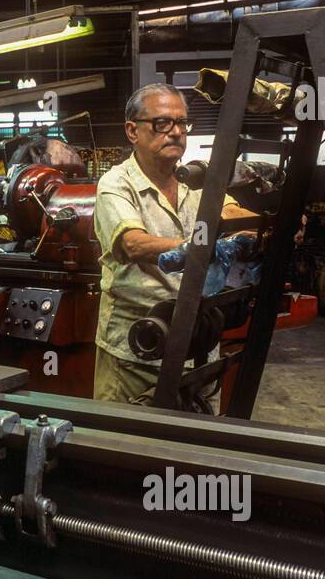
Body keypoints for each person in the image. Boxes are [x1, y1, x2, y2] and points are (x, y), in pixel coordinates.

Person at [92, 83, 254, 409]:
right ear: (132, 130)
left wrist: (263, 225)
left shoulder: (194, 180)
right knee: (128, 444)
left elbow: (233, 212)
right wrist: (201, 247)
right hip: (138, 351)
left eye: (182, 124)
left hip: (199, 342)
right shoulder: (116, 184)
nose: (177, 132)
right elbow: (133, 244)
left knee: (195, 442)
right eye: (163, 123)